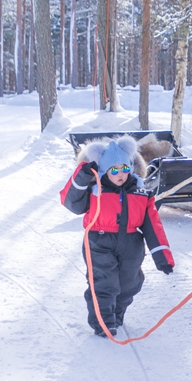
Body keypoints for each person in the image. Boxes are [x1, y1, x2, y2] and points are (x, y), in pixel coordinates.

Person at [61, 135, 175, 338]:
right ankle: (103, 322)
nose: (120, 173)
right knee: (104, 283)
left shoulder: (140, 192)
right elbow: (71, 203)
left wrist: (163, 257)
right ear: (105, 170)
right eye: (114, 170)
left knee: (130, 283)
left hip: (131, 244)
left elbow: (153, 226)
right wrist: (82, 176)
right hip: (99, 242)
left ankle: (116, 314)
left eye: (124, 168)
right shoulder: (94, 190)